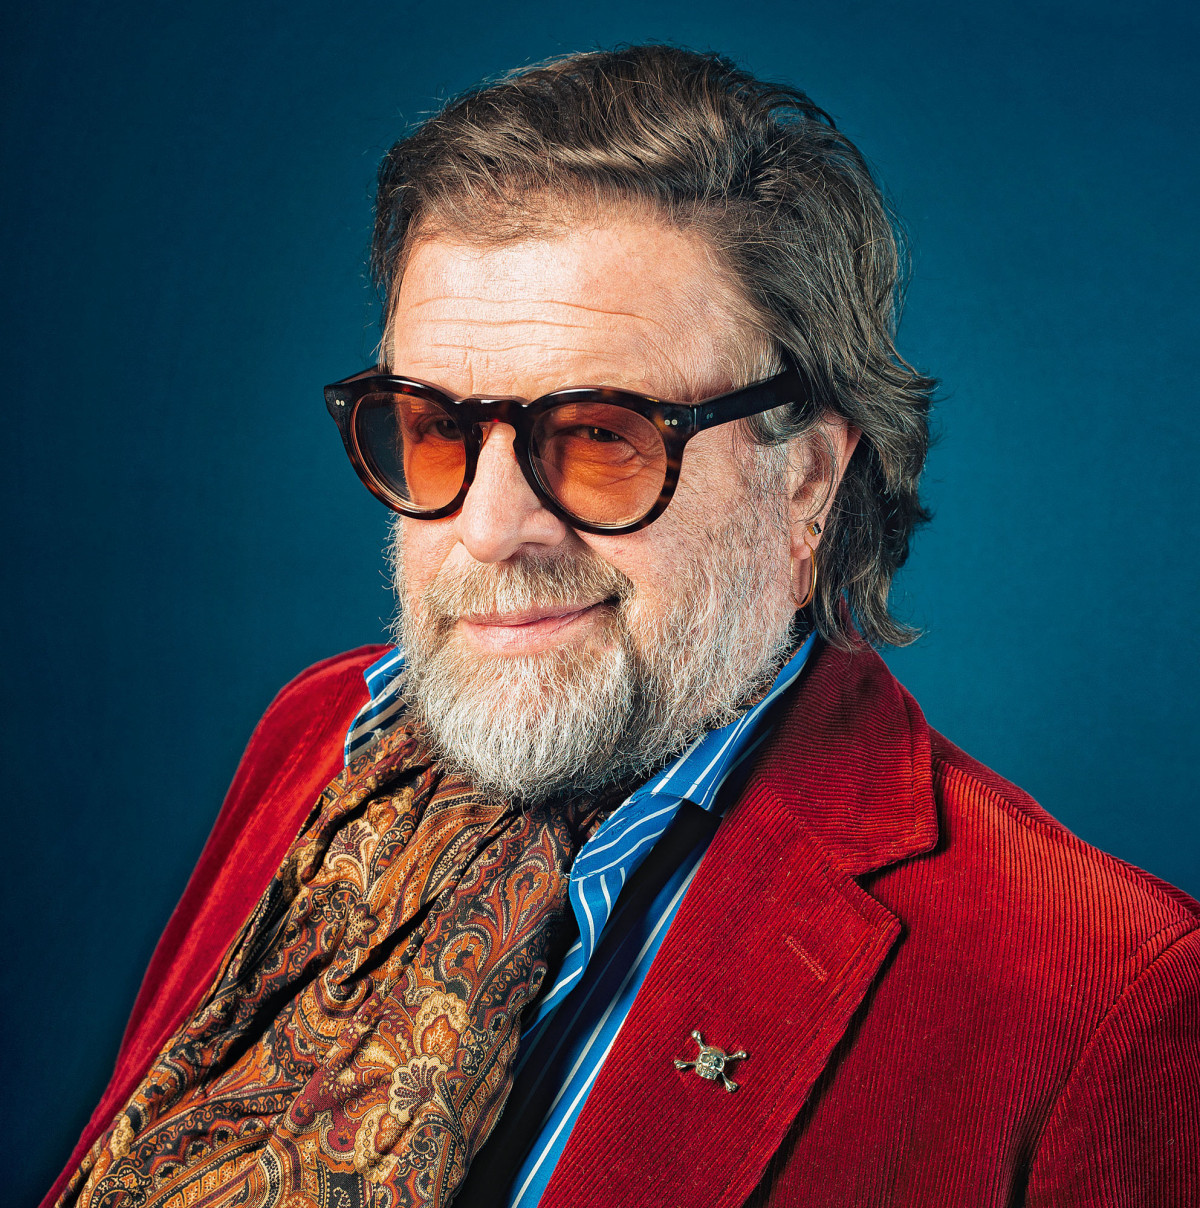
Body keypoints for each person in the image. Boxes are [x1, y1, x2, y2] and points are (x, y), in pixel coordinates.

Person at [47, 44, 1199, 1208]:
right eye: (437, 429)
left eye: (603, 434)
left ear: (805, 478)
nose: (490, 529)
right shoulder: (319, 731)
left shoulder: (1107, 995)